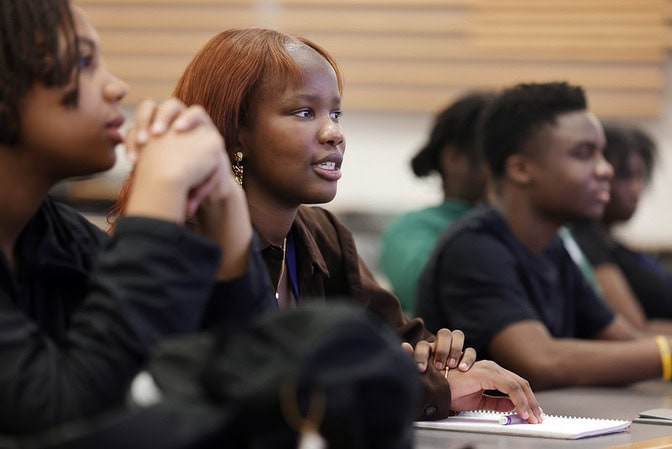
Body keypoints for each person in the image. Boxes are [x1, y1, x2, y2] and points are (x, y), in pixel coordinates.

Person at [112, 28, 543, 423]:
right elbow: (262, 393)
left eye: (336, 114)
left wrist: (445, 362)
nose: (332, 134)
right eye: (304, 113)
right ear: (236, 129)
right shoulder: (177, 242)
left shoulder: (321, 233)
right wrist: (430, 387)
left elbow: (402, 341)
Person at [0, 0, 274, 435]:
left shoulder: (59, 239)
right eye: (86, 61)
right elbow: (68, 419)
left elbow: (253, 373)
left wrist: (224, 205)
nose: (117, 87)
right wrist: (159, 191)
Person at [416, 81, 672, 390]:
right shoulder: (474, 246)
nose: (604, 170)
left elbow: (627, 339)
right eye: (584, 154)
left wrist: (662, 351)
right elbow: (539, 360)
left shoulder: (552, 247)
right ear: (521, 169)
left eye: (601, 155)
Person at [379, 92, 493, 312]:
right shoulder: (412, 228)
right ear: (454, 158)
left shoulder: (539, 228)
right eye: (497, 156)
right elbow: (431, 295)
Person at [572, 123, 672, 329]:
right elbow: (635, 329)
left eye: (640, 177)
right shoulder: (584, 241)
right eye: (625, 177)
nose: (637, 188)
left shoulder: (614, 245)